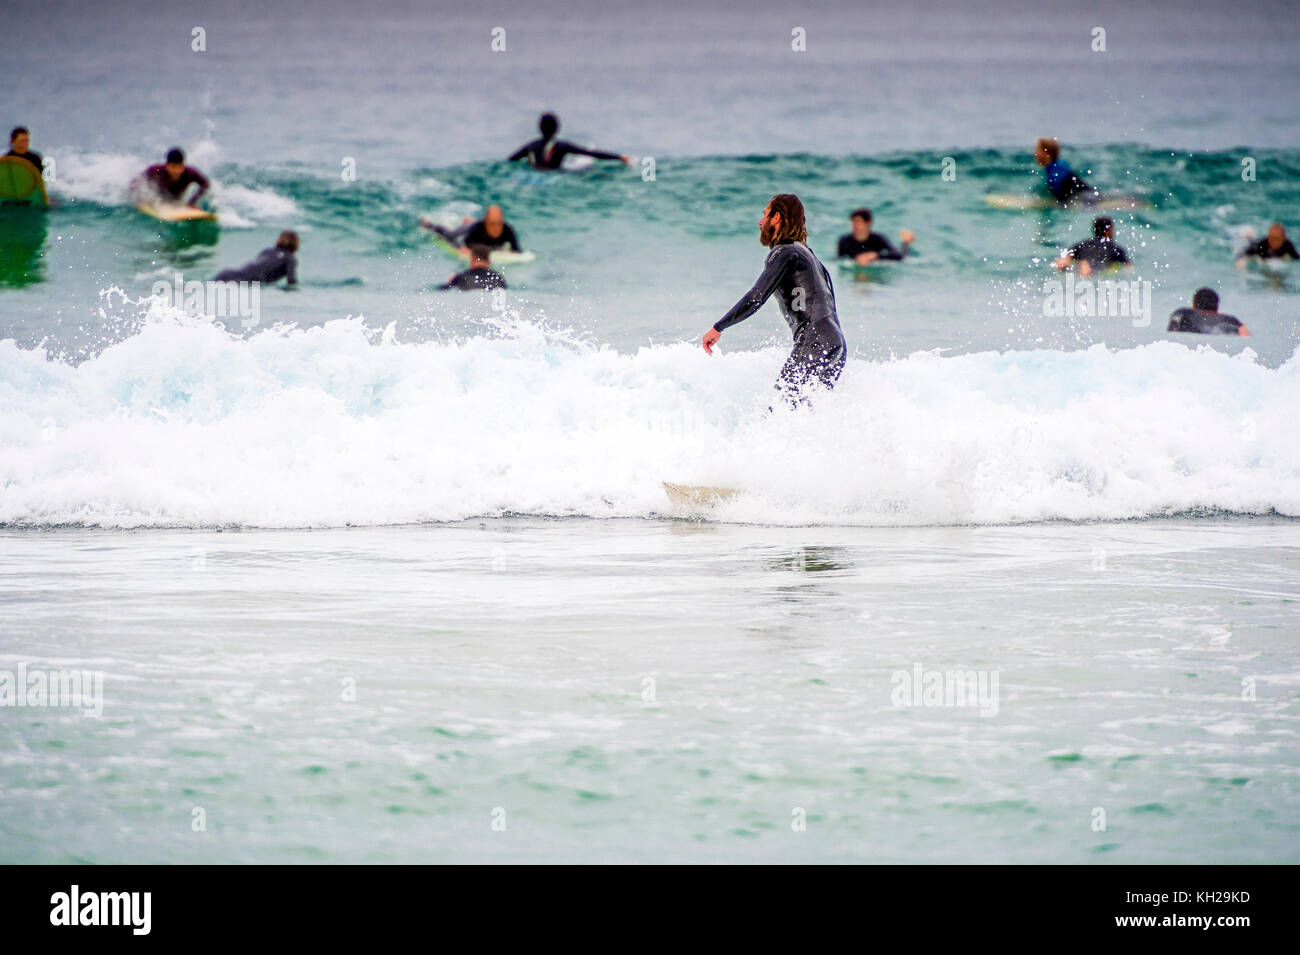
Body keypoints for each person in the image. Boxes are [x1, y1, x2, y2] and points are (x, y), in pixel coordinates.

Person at [703, 194, 846, 407]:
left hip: (814, 339)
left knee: (780, 409)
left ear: (776, 218)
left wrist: (718, 327)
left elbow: (756, 297)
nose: (760, 222)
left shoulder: (784, 252)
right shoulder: (811, 257)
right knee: (806, 413)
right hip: (837, 345)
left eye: (765, 215)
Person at [507, 113, 632, 171]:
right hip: (553, 176)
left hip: (533, 173)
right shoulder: (560, 146)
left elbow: (509, 161)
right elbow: (590, 153)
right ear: (557, 128)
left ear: (539, 128)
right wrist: (619, 157)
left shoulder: (530, 146)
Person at [422, 205, 522, 257]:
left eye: (498, 224)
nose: (496, 228)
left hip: (477, 232)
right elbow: (462, 242)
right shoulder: (477, 230)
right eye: (492, 224)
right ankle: (429, 225)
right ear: (486, 222)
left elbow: (517, 250)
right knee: (450, 235)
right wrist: (463, 248)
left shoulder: (508, 230)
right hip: (468, 229)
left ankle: (469, 221)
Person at [1053, 216, 1130, 276]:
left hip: (1080, 266)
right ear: (1108, 230)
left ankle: (1083, 266)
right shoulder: (1115, 248)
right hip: (1098, 270)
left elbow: (1066, 258)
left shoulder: (1081, 244)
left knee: (1066, 263)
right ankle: (1085, 268)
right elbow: (1129, 268)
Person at [214, 231, 299, 285]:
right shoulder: (290, 259)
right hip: (247, 281)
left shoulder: (267, 251)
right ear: (295, 244)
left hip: (228, 273)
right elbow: (291, 282)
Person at [836, 208, 915, 265]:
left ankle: (906, 241)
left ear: (868, 223)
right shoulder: (844, 241)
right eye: (853, 221)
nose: (854, 224)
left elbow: (898, 255)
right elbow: (840, 260)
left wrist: (874, 255)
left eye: (858, 221)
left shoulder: (877, 239)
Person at [1035, 137, 1101, 204]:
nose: (1035, 154)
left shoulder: (1055, 172)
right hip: (1089, 194)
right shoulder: (1058, 166)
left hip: (1087, 197)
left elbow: (1061, 197)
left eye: (1038, 150)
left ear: (1046, 153)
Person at [134, 148, 210, 206]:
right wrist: (140, 199)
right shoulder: (155, 171)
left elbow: (205, 184)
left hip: (175, 200)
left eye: (180, 167)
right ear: (166, 165)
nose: (177, 171)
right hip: (157, 200)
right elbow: (136, 181)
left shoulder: (190, 173)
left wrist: (192, 202)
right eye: (173, 167)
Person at [1167, 287, 1249, 336]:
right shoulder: (1231, 320)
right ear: (1217, 306)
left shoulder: (1183, 313)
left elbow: (1172, 333)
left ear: (1194, 304)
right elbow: (1246, 335)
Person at [440, 244, 506, 291]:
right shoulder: (499, 278)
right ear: (489, 261)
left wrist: (451, 281)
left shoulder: (461, 276)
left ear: (472, 259)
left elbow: (443, 289)